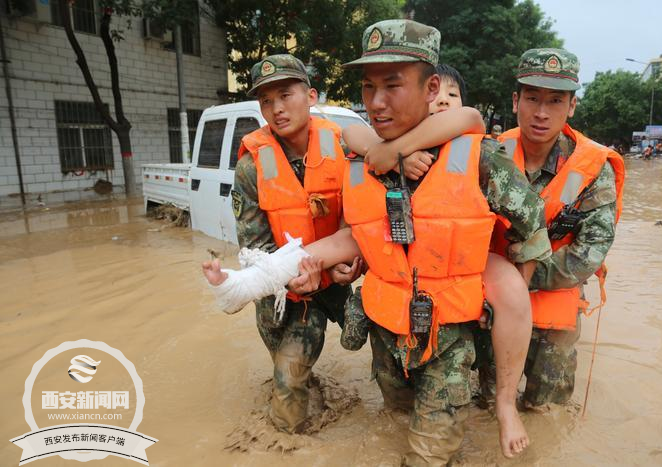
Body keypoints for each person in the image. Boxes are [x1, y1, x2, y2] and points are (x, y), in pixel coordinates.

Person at [363, 48, 626, 411]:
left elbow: (592, 250)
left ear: (572, 107)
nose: (541, 111)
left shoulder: (595, 167)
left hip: (549, 293)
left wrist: (516, 282)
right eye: (532, 98)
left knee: (545, 407)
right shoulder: (485, 150)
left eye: (555, 100)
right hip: (485, 294)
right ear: (516, 101)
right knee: (485, 399)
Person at [341, 62, 539, 459]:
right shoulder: (366, 154)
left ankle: (504, 405)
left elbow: (531, 231)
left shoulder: (478, 155)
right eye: (368, 88)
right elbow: (354, 231)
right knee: (394, 420)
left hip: (450, 329)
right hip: (386, 329)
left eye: (393, 86)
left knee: (427, 455)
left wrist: (501, 294)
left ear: (428, 91)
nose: (378, 102)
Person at [202, 54, 353, 434]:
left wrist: (356, 263)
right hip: (282, 291)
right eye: (266, 101)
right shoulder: (252, 166)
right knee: (287, 373)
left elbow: (364, 222)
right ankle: (292, 437)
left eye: (285, 95)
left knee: (384, 344)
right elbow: (255, 247)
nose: (277, 108)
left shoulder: (346, 149)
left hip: (335, 280)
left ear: (311, 95)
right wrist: (293, 279)